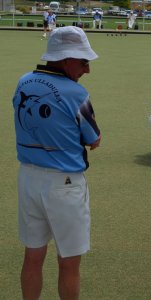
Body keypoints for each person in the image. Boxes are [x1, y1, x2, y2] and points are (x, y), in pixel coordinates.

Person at [12, 26, 101, 300]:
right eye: (84, 61)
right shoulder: (77, 93)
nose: (87, 69)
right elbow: (94, 139)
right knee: (69, 262)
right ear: (66, 59)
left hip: (28, 179)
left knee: (33, 256)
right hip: (64, 185)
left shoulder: (23, 81)